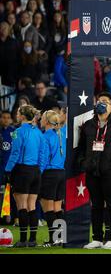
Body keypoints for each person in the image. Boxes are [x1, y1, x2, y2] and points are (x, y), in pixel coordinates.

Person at [78, 91, 111, 250]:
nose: (102, 103)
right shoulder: (88, 124)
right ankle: (97, 238)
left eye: (106, 101)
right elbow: (81, 147)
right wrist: (84, 163)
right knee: (96, 206)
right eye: (100, 100)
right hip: (92, 171)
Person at [4, 105, 45, 247]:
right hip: (35, 171)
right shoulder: (39, 132)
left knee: (21, 206)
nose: (16, 115)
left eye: (18, 113)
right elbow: (42, 154)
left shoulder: (17, 132)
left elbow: (15, 153)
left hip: (22, 171)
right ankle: (32, 240)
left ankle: (22, 240)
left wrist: (7, 170)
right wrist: (39, 169)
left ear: (22, 116)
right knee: (32, 206)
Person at [39, 110, 66, 247]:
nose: (40, 119)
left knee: (48, 209)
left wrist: (38, 174)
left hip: (49, 174)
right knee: (57, 208)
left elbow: (43, 158)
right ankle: (61, 238)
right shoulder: (60, 135)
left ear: (47, 121)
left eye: (42, 117)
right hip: (61, 173)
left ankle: (53, 239)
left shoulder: (45, 136)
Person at [0, 111, 15, 186]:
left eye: (8, 118)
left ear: (11, 120)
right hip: (1, 164)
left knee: (9, 187)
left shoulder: (14, 131)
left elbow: (17, 146)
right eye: (4, 117)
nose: (6, 120)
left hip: (10, 165)